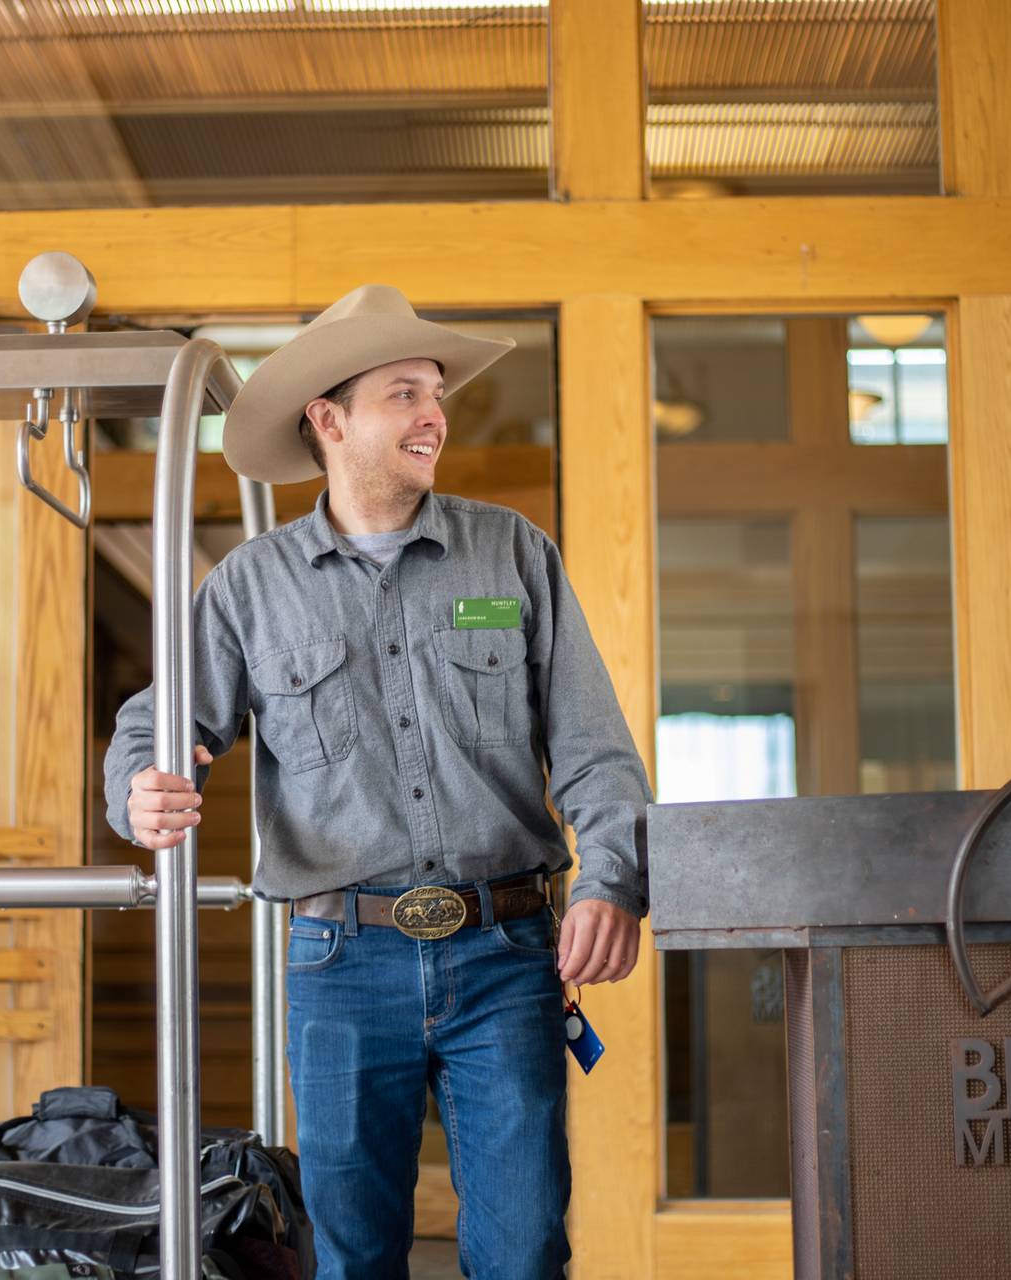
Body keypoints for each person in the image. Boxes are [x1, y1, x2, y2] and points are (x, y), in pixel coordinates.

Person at [105, 285, 649, 1278]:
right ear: (329, 418)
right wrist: (140, 784)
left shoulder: (514, 555)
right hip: (341, 964)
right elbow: (156, 721)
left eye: (435, 393)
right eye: (404, 393)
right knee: (354, 1256)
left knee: (526, 1249)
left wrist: (612, 876)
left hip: (508, 954)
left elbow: (593, 744)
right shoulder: (247, 589)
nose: (433, 414)